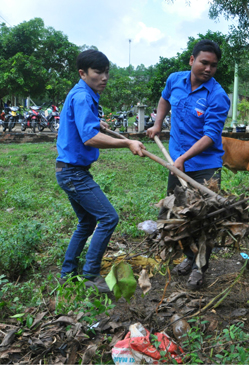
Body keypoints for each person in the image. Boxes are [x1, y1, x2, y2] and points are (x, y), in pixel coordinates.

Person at [56, 49, 146, 292]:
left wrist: (97, 123)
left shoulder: (82, 93)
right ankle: (90, 275)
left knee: (86, 222)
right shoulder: (84, 97)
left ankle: (66, 273)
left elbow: (83, 125)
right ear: (83, 73)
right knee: (109, 218)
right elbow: (89, 139)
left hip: (67, 171)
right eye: (98, 72)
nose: (104, 77)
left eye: (107, 72)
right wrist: (127, 143)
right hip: (74, 173)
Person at [147, 39, 230, 290]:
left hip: (205, 166)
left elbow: (210, 136)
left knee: (204, 219)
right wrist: (158, 123)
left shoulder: (218, 96)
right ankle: (189, 257)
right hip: (177, 161)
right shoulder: (175, 80)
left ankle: (199, 268)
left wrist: (184, 158)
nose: (208, 69)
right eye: (204, 62)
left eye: (213, 66)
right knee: (177, 214)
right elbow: (164, 100)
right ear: (192, 60)